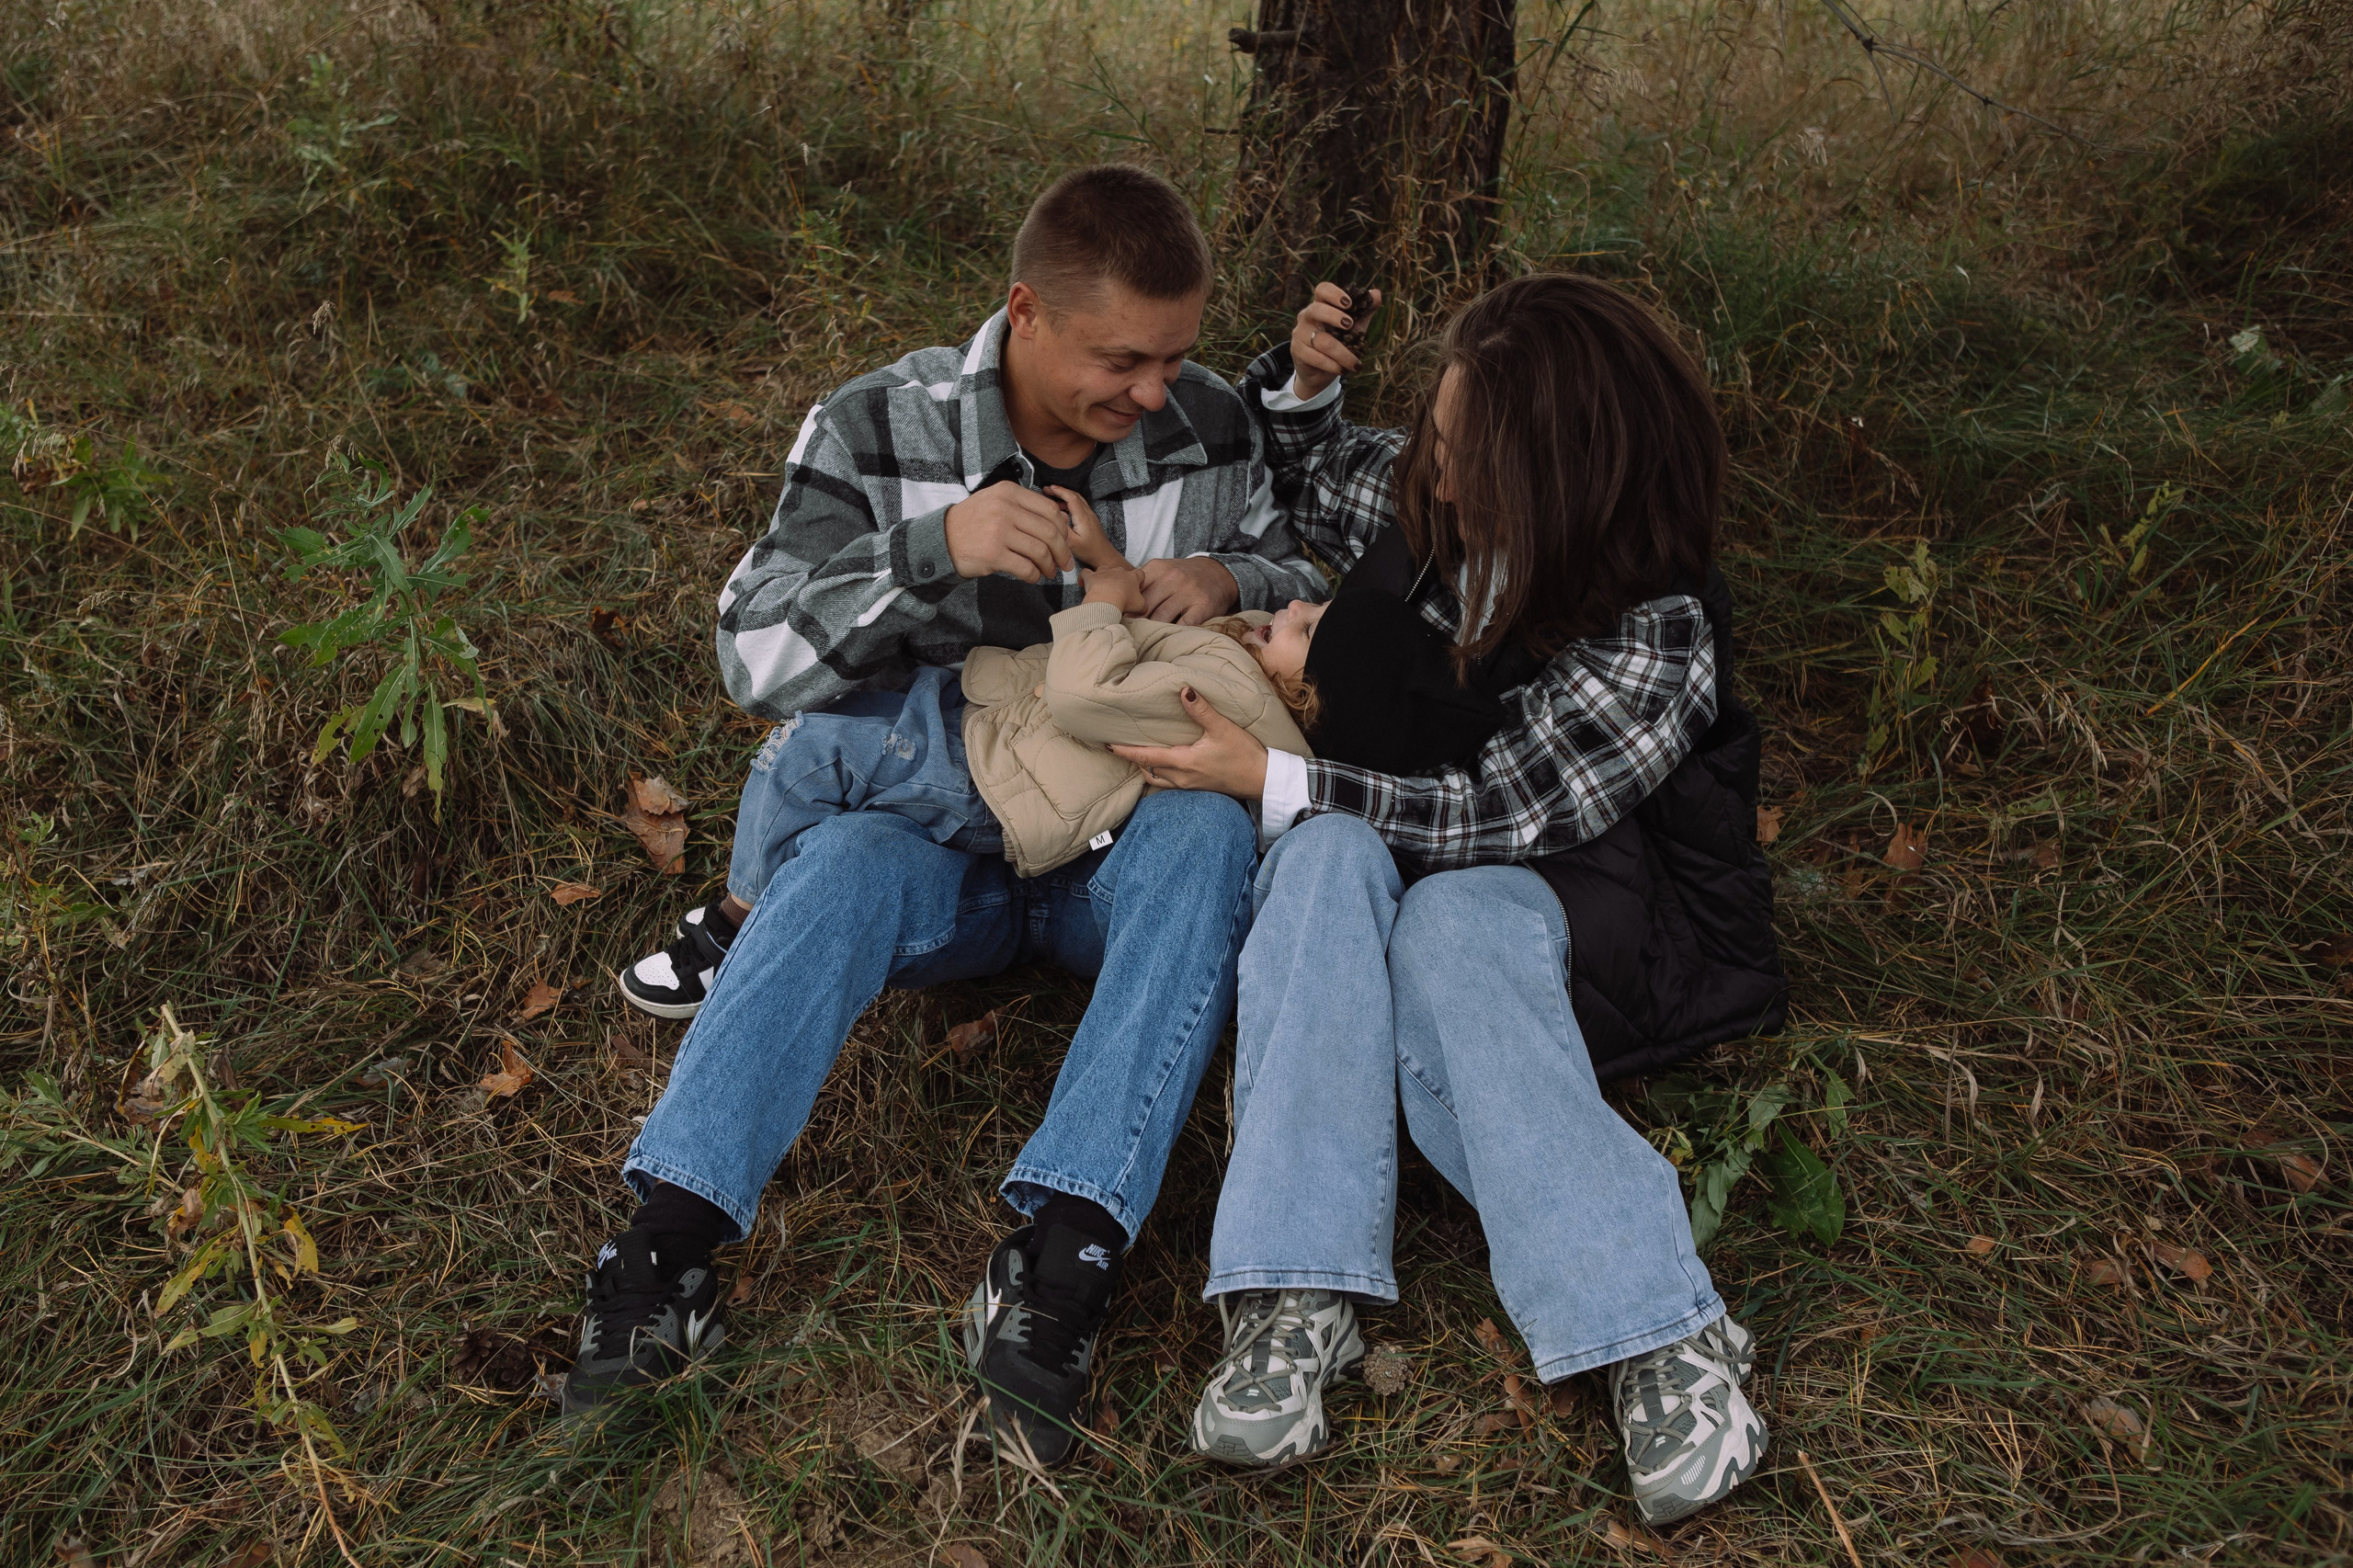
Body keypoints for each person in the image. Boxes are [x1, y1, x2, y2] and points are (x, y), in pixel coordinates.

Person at [562, 166, 1327, 1471]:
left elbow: (1304, 570)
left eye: (1178, 356)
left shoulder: (1207, 426)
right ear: (1026, 311)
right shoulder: (878, 425)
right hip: (938, 846)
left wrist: (1230, 573)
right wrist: (937, 552)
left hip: (1121, 841)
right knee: (848, 855)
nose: (1155, 393)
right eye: (1123, 360)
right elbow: (751, 650)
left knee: (1205, 835)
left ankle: (1065, 1252)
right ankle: (665, 1249)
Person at [1111, 274, 1789, 1525]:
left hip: (1595, 915)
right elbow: (1328, 472)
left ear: (1566, 473)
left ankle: (1658, 1332)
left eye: (1471, 456)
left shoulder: (1658, 627)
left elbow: (1493, 814)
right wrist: (1309, 384)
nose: (1437, 474)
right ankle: (1293, 1291)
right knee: (1316, 858)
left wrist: (1270, 774)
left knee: (1450, 912)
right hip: (1415, 858)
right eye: (1439, 436)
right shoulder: (1440, 494)